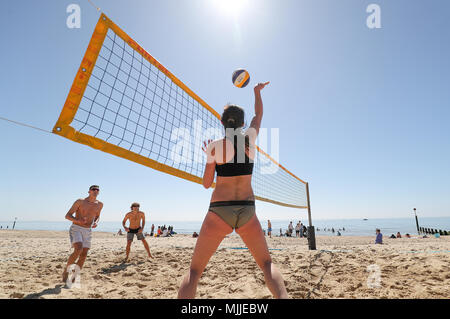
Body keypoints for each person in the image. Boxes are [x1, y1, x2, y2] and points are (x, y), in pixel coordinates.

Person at [178, 82, 288, 299]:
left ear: (221, 122)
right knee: (266, 264)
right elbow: (259, 113)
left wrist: (210, 158)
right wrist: (256, 92)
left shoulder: (214, 147)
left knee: (194, 271)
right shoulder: (250, 139)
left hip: (219, 210)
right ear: (243, 123)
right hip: (247, 209)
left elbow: (206, 183)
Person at [62, 185, 103, 283]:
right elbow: (67, 215)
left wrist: (96, 222)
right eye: (93, 189)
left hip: (88, 230)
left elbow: (97, 216)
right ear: (89, 191)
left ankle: (75, 276)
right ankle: (66, 272)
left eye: (97, 190)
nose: (95, 191)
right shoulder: (80, 201)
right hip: (76, 228)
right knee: (78, 249)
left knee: (84, 255)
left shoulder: (100, 204)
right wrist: (78, 221)